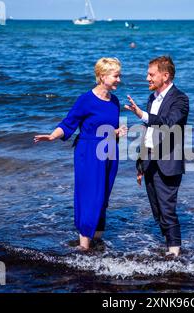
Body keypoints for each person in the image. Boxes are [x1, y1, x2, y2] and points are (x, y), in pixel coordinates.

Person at [34, 57, 127, 251]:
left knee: (103, 197)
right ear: (102, 76)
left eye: (119, 76)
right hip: (89, 153)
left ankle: (97, 241)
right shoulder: (86, 100)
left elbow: (109, 129)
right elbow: (68, 123)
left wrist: (117, 133)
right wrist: (52, 136)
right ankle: (84, 246)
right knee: (89, 196)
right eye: (116, 76)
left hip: (110, 152)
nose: (119, 79)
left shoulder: (115, 101)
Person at [125, 56, 189, 257]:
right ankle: (169, 250)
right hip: (150, 162)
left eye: (151, 74)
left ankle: (174, 255)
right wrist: (140, 165)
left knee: (168, 212)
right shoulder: (153, 98)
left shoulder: (180, 99)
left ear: (166, 75)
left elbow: (168, 124)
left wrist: (142, 115)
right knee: (157, 213)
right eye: (148, 74)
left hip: (168, 163)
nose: (147, 78)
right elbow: (149, 133)